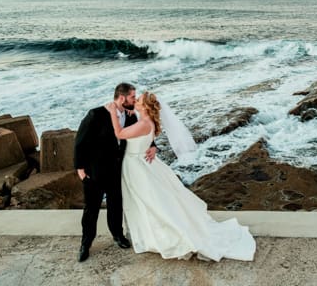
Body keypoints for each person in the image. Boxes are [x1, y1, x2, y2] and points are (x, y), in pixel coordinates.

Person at [104, 91, 256, 261]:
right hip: (141, 164)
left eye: (138, 100)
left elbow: (119, 134)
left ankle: (164, 236)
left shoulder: (144, 124)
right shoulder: (147, 122)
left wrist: (112, 112)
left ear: (145, 106)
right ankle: (151, 234)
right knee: (148, 200)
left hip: (137, 165)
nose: (135, 101)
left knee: (149, 201)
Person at [74, 83, 158, 262]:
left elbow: (141, 134)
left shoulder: (131, 116)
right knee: (91, 209)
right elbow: (80, 142)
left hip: (118, 171)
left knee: (116, 205)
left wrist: (153, 146)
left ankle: (118, 235)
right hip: (94, 172)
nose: (135, 100)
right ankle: (85, 243)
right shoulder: (95, 114)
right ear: (122, 98)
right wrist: (80, 170)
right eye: (132, 97)